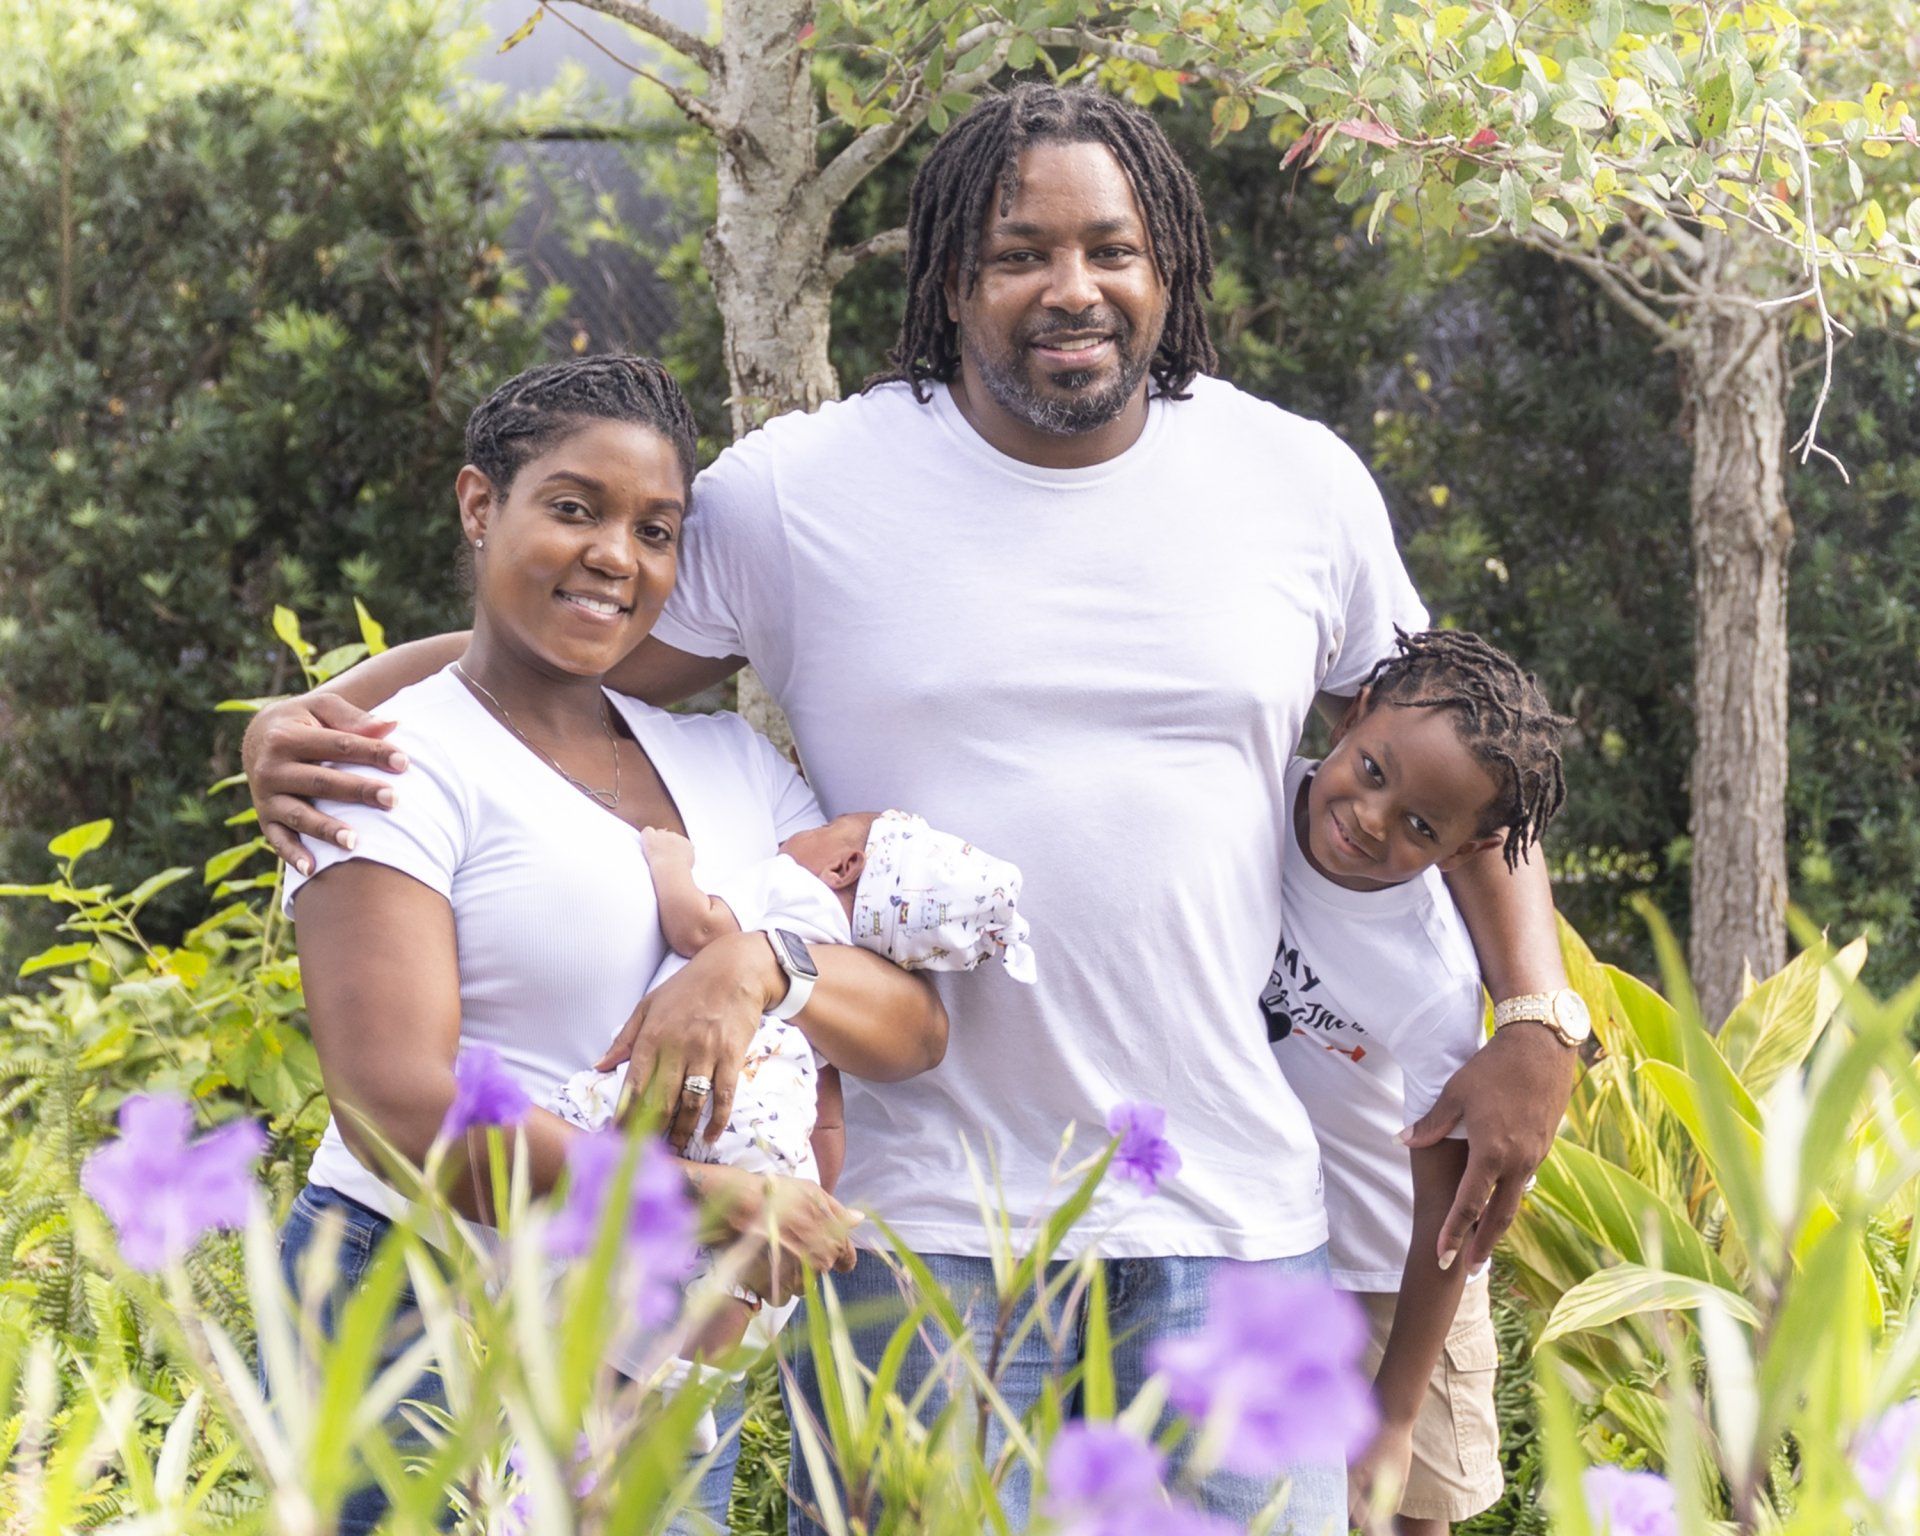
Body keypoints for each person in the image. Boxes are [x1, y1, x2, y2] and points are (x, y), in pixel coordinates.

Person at [242, 85, 1583, 1533]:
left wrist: (1532, 1006)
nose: (1072, 288)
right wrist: (329, 710)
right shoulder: (801, 494)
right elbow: (566, 634)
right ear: (952, 278)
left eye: (1111, 249)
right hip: (915, 1222)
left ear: (1167, 268)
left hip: (1230, 1209)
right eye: (1022, 253)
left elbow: (1462, 748)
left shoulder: (1295, 482)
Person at [272, 356, 946, 1535]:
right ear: (482, 506)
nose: (615, 557)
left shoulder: (730, 766)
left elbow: (910, 1028)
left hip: (656, 1335)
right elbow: (397, 1102)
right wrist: (697, 1202)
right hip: (421, 1307)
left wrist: (765, 969)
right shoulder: (393, 765)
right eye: (574, 509)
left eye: (655, 529)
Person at [1260, 630, 1571, 1535]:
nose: (1372, 818)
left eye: (1423, 828)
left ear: (1465, 852)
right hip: (1271, 1244)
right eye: (1372, 769)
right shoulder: (1256, 804)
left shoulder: (1428, 976)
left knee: (1401, 1511)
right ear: (1353, 713)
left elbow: (1449, 1198)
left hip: (1402, 1273)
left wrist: (1394, 1414)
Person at [547, 807, 1037, 1350]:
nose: (796, 833)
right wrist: (814, 1186)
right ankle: (685, 1370)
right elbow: (825, 1115)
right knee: (734, 1265)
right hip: (770, 1121)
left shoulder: (794, 889)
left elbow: (698, 928)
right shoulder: (845, 963)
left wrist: (670, 861)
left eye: (822, 830)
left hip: (689, 1080)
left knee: (583, 1178)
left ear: (844, 865)